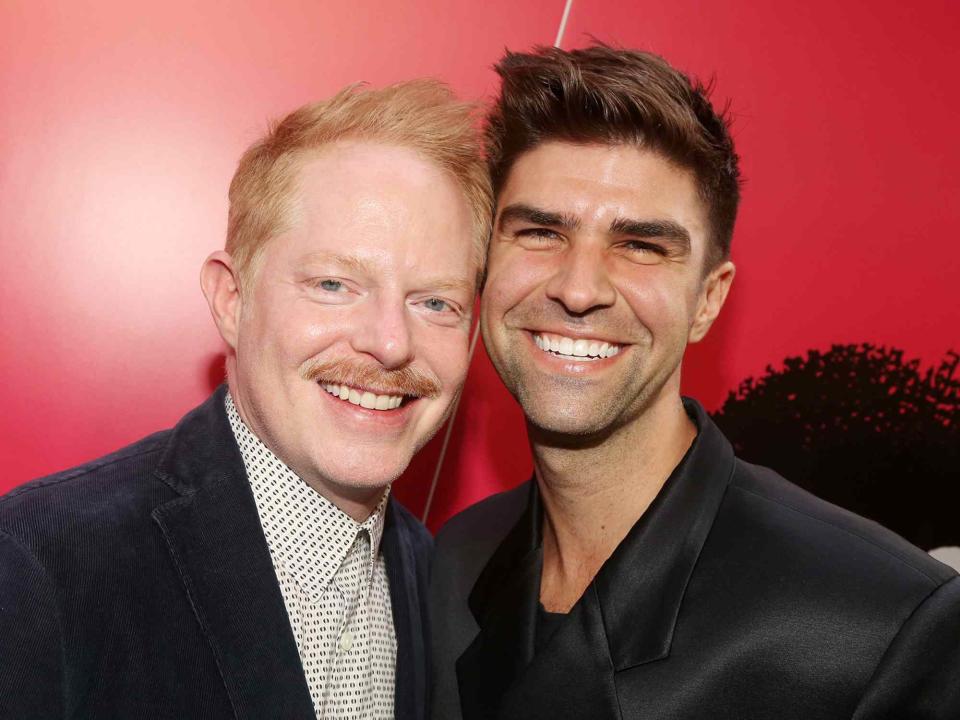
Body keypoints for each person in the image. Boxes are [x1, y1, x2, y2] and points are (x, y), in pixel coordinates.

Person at [430, 45, 960, 719]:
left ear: (708, 299)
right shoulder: (457, 558)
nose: (579, 287)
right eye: (539, 232)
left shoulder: (881, 623)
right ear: (485, 262)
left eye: (640, 246)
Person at [0, 79, 491, 720]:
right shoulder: (40, 562)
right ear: (232, 300)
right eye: (334, 283)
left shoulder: (435, 576)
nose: (392, 343)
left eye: (435, 302)